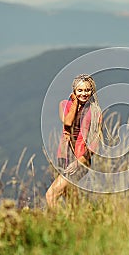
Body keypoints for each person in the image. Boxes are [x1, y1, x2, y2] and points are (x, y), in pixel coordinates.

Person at [46, 74, 102, 209]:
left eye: (87, 90)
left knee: (51, 195)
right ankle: (80, 224)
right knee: (70, 198)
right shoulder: (64, 105)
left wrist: (78, 162)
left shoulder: (96, 112)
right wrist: (75, 103)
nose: (84, 93)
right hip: (64, 157)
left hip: (81, 160)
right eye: (80, 90)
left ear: (92, 91)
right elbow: (68, 122)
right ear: (74, 91)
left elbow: (95, 145)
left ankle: (58, 226)